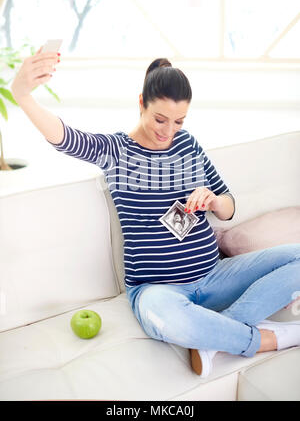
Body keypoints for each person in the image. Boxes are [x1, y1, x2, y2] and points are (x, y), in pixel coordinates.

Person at [12, 50, 300, 378]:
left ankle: (215, 336)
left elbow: (228, 203)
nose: (168, 131)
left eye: (178, 122)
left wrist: (214, 202)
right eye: (160, 119)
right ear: (141, 103)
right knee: (168, 317)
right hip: (157, 291)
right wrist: (22, 95)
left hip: (215, 276)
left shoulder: (188, 145)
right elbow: (65, 137)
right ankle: (268, 338)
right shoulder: (116, 151)